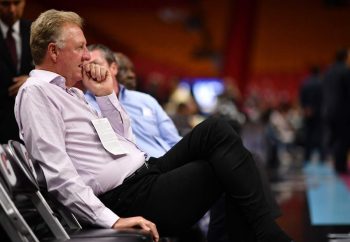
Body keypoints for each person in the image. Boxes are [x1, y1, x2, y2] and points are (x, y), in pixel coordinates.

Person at [15, 9, 293, 242]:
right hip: (124, 197)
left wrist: (104, 95)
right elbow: (57, 174)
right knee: (228, 167)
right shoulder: (36, 93)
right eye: (80, 48)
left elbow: (124, 139)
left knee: (217, 130)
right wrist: (112, 220)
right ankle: (268, 234)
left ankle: (266, 232)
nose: (87, 56)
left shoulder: (72, 91)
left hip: (146, 171)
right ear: (53, 51)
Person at [85, 45, 181, 158]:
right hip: (141, 169)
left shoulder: (145, 100)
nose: (93, 71)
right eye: (86, 67)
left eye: (96, 65)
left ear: (114, 68)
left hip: (171, 159)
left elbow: (174, 139)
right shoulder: (85, 106)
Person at [0, 0, 33, 143]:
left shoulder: (35, 30)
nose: (12, 10)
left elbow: (50, 67)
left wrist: (31, 80)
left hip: (28, 118)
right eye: (5, 4)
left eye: (16, 3)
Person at [322, 48, 350, 174]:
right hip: (343, 111)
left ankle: (334, 162)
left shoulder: (328, 71)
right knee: (343, 138)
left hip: (328, 110)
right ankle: (340, 166)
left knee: (333, 137)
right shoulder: (345, 71)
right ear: (345, 57)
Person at [299, 66, 324, 162]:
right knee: (320, 135)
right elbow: (323, 98)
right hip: (319, 112)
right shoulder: (321, 83)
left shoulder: (305, 83)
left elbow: (301, 97)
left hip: (307, 112)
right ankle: (322, 157)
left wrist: (306, 108)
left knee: (308, 134)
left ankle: (307, 156)